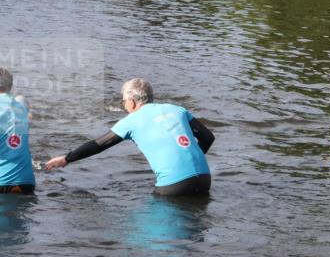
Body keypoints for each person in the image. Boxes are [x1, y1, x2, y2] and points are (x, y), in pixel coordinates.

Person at [44, 78, 214, 196]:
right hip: (205, 180)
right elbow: (208, 138)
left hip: (174, 186)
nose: (124, 105)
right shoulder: (177, 109)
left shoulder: (132, 120)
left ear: (132, 102)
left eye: (123, 101)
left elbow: (99, 145)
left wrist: (67, 158)